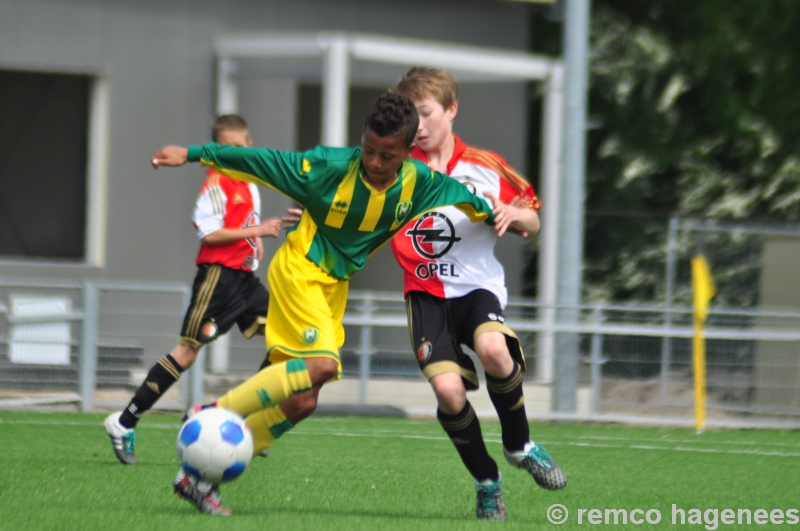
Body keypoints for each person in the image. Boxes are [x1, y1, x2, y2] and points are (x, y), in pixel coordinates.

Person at [151, 93, 529, 515]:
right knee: (322, 366)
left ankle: (198, 478)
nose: (375, 162)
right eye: (369, 149)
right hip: (300, 272)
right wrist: (190, 154)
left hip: (333, 286)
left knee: (302, 402)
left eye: (387, 155)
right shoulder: (326, 169)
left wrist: (500, 215)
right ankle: (212, 411)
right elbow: (259, 160)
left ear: (408, 152)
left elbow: (466, 198)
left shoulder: (420, 181)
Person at [390, 67, 566, 521]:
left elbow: (532, 221)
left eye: (426, 114)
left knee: (495, 349)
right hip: (426, 297)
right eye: (411, 117)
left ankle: (520, 444)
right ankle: (487, 482)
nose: (419, 126)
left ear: (451, 109)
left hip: (476, 290)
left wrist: (511, 211)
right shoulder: (392, 168)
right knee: (449, 393)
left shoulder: (485, 167)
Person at [104, 114, 299, 465]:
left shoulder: (250, 182)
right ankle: (123, 421)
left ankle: (237, 415)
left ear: (250, 147)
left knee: (288, 340)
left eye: (240, 147)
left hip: (245, 280)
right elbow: (209, 234)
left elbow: (248, 225)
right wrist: (256, 233)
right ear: (216, 151)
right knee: (186, 353)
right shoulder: (216, 183)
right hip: (218, 279)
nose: (235, 153)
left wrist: (256, 242)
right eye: (227, 148)